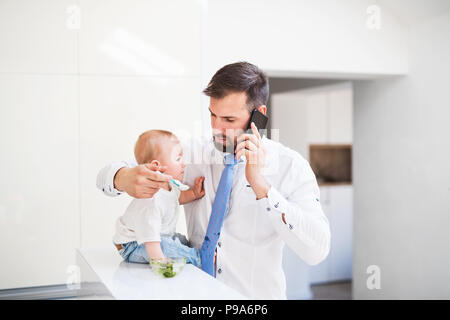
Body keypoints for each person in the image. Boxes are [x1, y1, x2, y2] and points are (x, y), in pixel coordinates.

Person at [97, 61, 331, 299]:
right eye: (212, 115)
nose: (216, 128)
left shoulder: (291, 166)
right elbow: (105, 176)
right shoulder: (189, 154)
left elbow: (317, 250)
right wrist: (122, 178)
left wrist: (261, 186)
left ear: (258, 117)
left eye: (229, 120)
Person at [112, 130, 205, 267]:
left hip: (156, 236)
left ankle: (185, 251)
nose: (183, 164)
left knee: (181, 240)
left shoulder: (169, 187)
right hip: (134, 245)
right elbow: (151, 239)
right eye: (178, 159)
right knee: (166, 246)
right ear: (157, 165)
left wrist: (194, 193)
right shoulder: (151, 199)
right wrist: (160, 261)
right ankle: (199, 257)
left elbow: (177, 198)